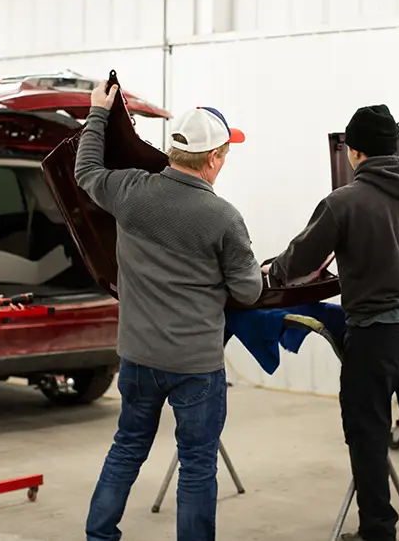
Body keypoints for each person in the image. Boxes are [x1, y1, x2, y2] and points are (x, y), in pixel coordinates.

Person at [265, 104, 399, 541]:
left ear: (355, 153)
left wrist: (270, 274)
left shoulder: (344, 202)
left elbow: (301, 259)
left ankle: (378, 529)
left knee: (368, 429)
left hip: (377, 332)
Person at [76, 81, 263, 541]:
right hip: (195, 365)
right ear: (214, 159)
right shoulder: (223, 217)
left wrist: (98, 113)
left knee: (127, 447)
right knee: (198, 464)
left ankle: (99, 536)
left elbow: (84, 171)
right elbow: (250, 290)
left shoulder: (128, 190)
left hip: (138, 358)